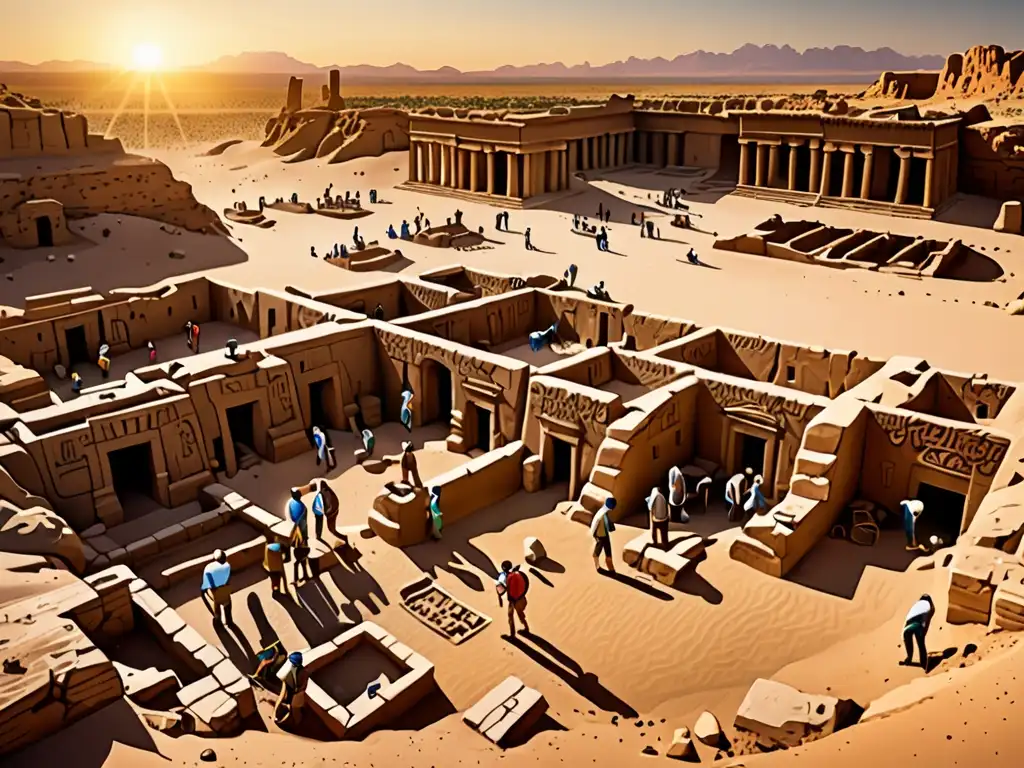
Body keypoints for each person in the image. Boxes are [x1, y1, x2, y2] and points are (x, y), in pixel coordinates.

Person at [496, 560, 531, 638]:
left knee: (510, 616)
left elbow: (500, 591)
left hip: (513, 601)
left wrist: (500, 599)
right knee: (520, 614)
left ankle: (512, 635)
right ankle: (526, 628)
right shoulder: (517, 574)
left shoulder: (504, 577)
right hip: (521, 597)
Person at [902, 594, 935, 668]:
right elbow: (927, 621)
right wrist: (924, 632)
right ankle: (923, 662)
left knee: (911, 641)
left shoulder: (921, 606)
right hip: (916, 625)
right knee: (920, 643)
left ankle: (910, 658)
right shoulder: (929, 608)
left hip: (913, 625)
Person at [201, 549, 233, 625]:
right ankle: (229, 620)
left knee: (215, 602)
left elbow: (208, 583)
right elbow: (227, 580)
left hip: (216, 592)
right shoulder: (227, 566)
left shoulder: (208, 568)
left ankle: (217, 619)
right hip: (225, 590)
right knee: (227, 602)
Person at [274, 652, 306, 725]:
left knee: (295, 710)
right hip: (292, 691)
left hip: (297, 693)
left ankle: (298, 723)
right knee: (292, 706)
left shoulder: (302, 672)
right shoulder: (292, 670)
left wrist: (298, 690)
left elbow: (303, 684)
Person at [590, 497, 617, 572]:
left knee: (608, 551)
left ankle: (611, 568)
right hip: (600, 536)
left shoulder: (604, 512)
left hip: (605, 534)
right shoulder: (601, 514)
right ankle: (597, 567)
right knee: (596, 553)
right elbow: (595, 524)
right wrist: (594, 535)